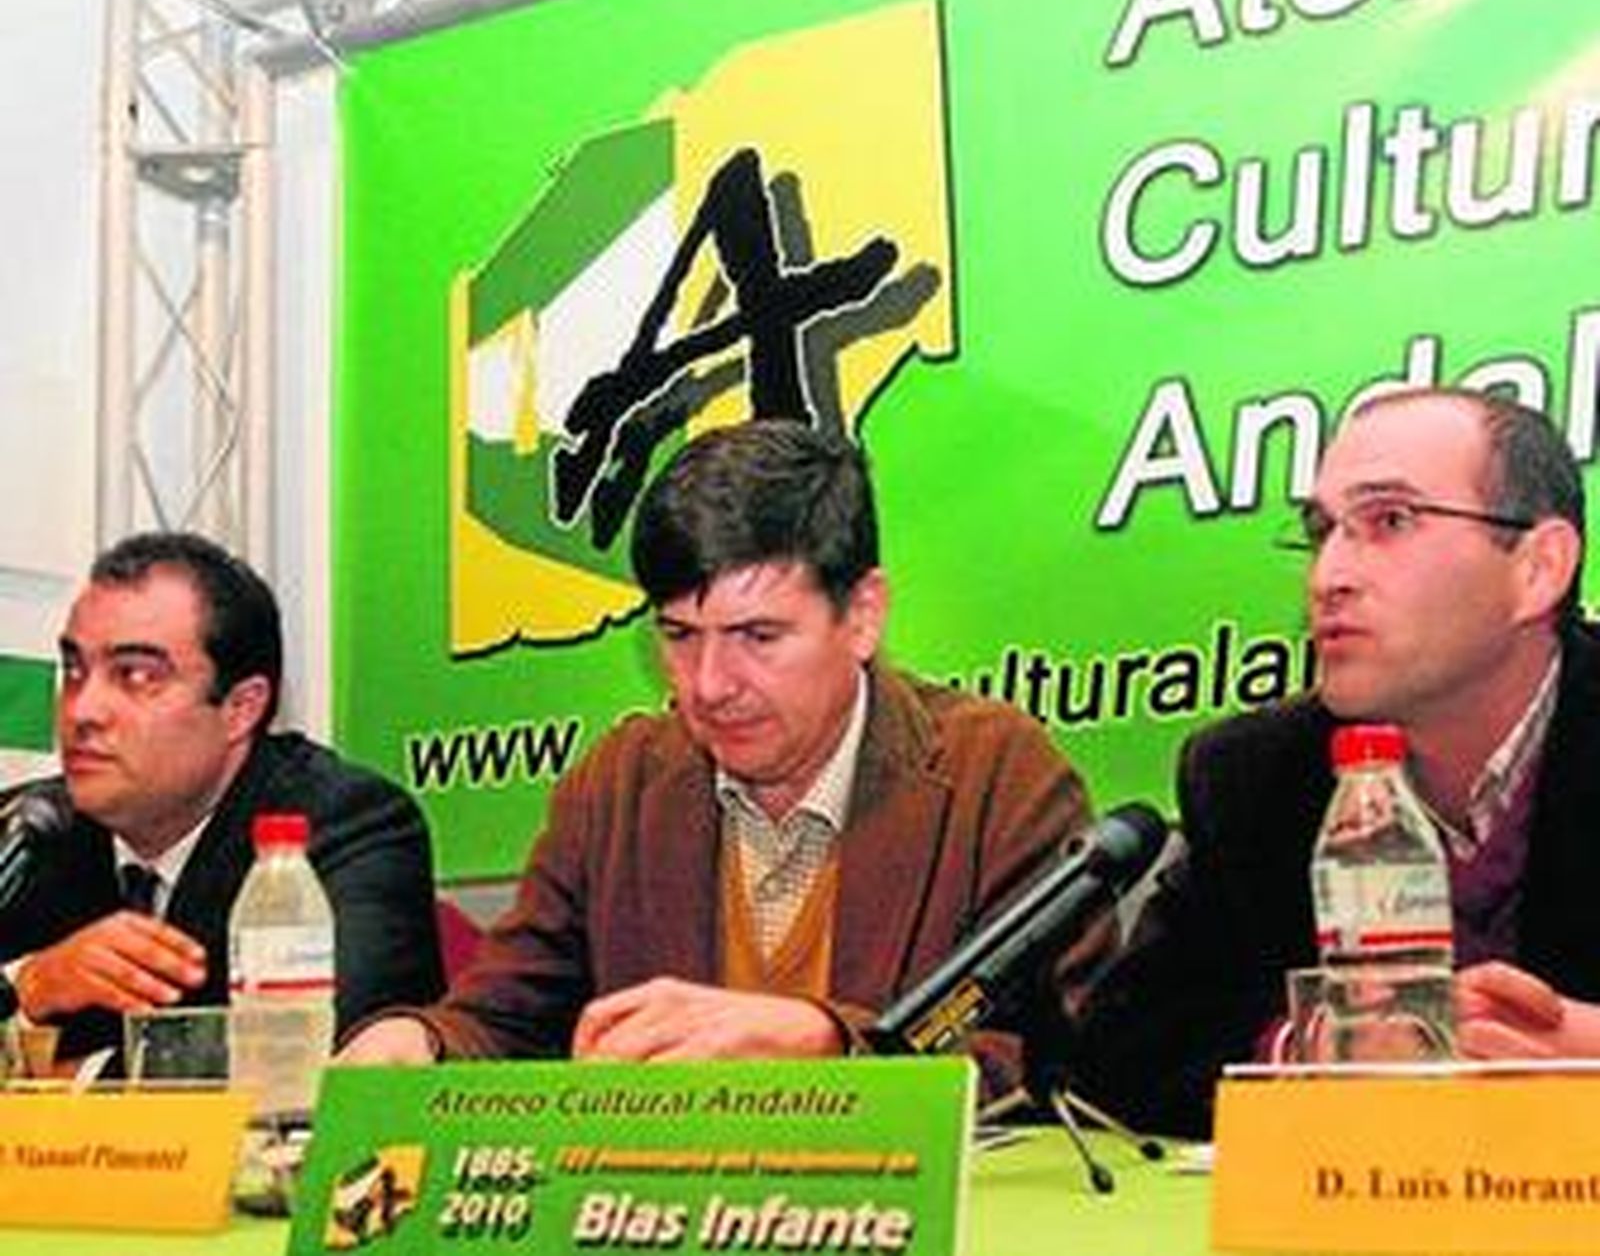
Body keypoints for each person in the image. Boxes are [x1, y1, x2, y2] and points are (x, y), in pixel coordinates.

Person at [341, 419, 1093, 1097]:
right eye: (678, 636)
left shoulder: (996, 777)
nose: (709, 686)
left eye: (757, 637)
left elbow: (1067, 1056)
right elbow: (505, 1023)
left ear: (862, 615)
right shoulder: (619, 787)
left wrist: (832, 1044)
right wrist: (418, 1044)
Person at [1045, 388, 1599, 1137]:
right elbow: (1125, 1054)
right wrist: (1313, 1049)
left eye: (1390, 522)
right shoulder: (1253, 775)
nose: (1327, 576)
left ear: (1538, 567)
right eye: (1320, 531)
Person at [0, 531, 444, 1062]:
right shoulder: (28, 830)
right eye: (75, 670)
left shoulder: (348, 823)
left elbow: (304, 1061)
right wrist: (28, 987)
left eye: (136, 676)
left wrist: (65, 1078)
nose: (81, 710)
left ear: (241, 708)